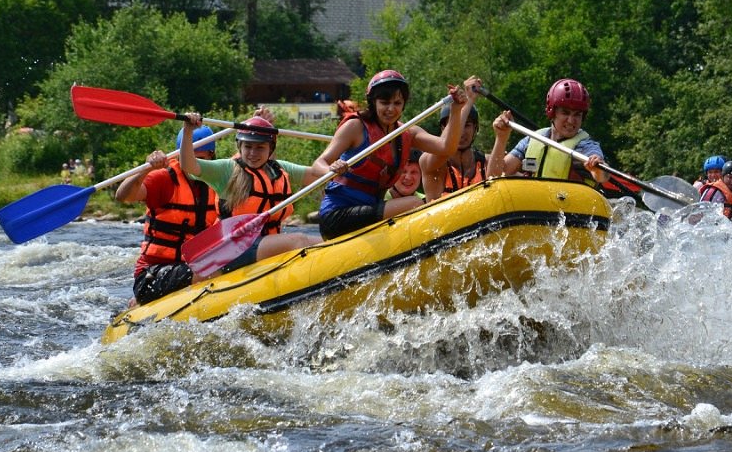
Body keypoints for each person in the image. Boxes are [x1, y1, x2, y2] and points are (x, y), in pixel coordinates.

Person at [311, 70, 474, 240]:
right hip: (337, 216)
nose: (391, 109)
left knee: (415, 204)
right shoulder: (355, 127)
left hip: (370, 210)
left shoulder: (407, 133)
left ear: (403, 104)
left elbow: (446, 147)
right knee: (414, 203)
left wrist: (456, 110)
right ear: (373, 103)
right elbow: (318, 165)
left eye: (397, 103)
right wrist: (331, 169)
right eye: (385, 102)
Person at [179, 114, 320, 273]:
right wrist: (188, 131)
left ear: (270, 149)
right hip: (231, 249)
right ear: (240, 147)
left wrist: (338, 165)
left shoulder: (278, 169)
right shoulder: (227, 170)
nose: (253, 153)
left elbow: (315, 174)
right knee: (299, 241)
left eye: (260, 147)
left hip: (264, 243)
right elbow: (188, 165)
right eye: (248, 147)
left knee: (322, 241)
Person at [115, 126, 221, 305]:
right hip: (154, 272)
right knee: (213, 271)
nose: (192, 165)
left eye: (199, 159)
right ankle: (140, 300)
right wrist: (145, 170)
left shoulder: (218, 178)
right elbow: (123, 196)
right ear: (178, 156)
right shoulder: (165, 179)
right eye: (187, 158)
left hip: (193, 265)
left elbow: (251, 160)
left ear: (211, 156)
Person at [487, 78, 609, 185]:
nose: (571, 121)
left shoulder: (585, 146)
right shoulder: (530, 140)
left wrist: (597, 169)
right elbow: (494, 176)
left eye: (577, 115)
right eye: (565, 113)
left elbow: (603, 176)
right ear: (552, 112)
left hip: (569, 208)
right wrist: (501, 138)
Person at [420, 101, 488, 201]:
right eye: (455, 126)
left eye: (467, 125)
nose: (460, 133)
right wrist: (469, 100)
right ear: (444, 129)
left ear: (475, 128)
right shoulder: (432, 165)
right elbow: (441, 149)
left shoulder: (486, 163)